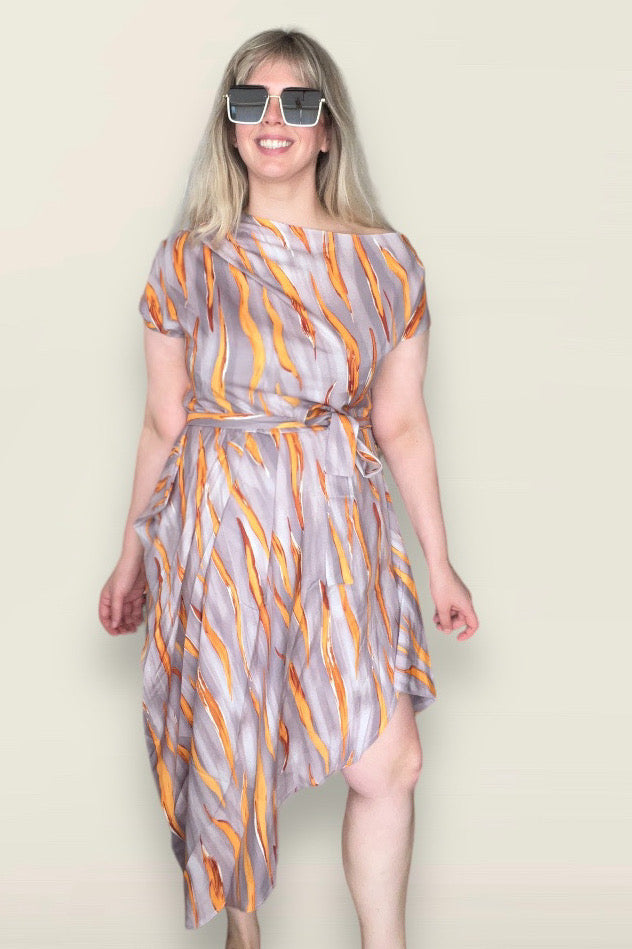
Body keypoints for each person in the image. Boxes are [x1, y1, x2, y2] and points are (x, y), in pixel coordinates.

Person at [98, 26, 478, 949]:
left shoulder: (388, 261)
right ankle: (245, 932)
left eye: (297, 102)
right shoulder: (186, 261)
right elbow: (163, 421)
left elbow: (401, 422)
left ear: (326, 128)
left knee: (391, 762)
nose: (274, 120)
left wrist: (440, 563)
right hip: (222, 521)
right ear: (229, 125)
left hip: (339, 520)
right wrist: (130, 556)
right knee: (231, 739)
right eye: (252, 101)